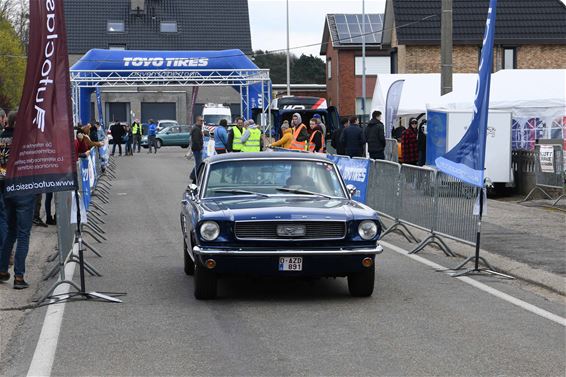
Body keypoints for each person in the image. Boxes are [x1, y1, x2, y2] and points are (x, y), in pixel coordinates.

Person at [0, 111, 36, 289]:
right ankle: (19, 276)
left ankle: (2, 269)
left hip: (6, 189)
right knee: (23, 234)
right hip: (24, 189)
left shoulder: (1, 138)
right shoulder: (25, 140)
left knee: (10, 232)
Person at [190, 116, 204, 182]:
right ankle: (194, 176)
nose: (202, 122)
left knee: (198, 163)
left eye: (202, 121)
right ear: (197, 121)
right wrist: (199, 148)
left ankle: (193, 175)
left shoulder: (197, 128)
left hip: (197, 148)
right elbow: (196, 140)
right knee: (199, 163)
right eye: (201, 121)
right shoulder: (196, 129)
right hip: (197, 149)